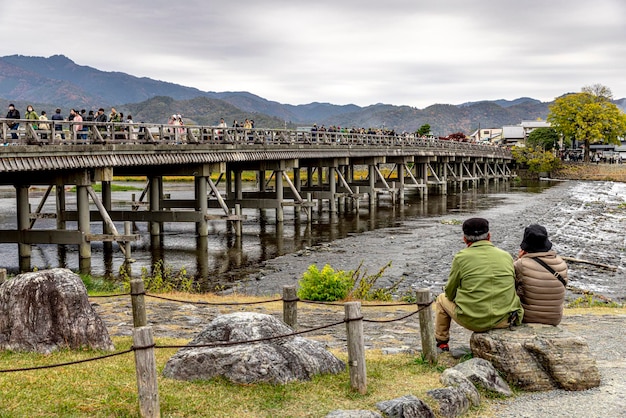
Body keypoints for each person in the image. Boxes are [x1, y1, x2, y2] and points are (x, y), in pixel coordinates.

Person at [435, 217, 523, 352]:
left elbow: (450, 293)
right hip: (505, 320)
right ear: (489, 236)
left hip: (474, 321)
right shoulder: (506, 256)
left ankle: (442, 342)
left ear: (465, 239)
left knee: (441, 299)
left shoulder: (461, 258)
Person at [514, 224, 568, 326]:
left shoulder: (521, 264)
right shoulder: (561, 263)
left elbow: (510, 287)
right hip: (554, 319)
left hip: (527, 318)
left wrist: (519, 259)